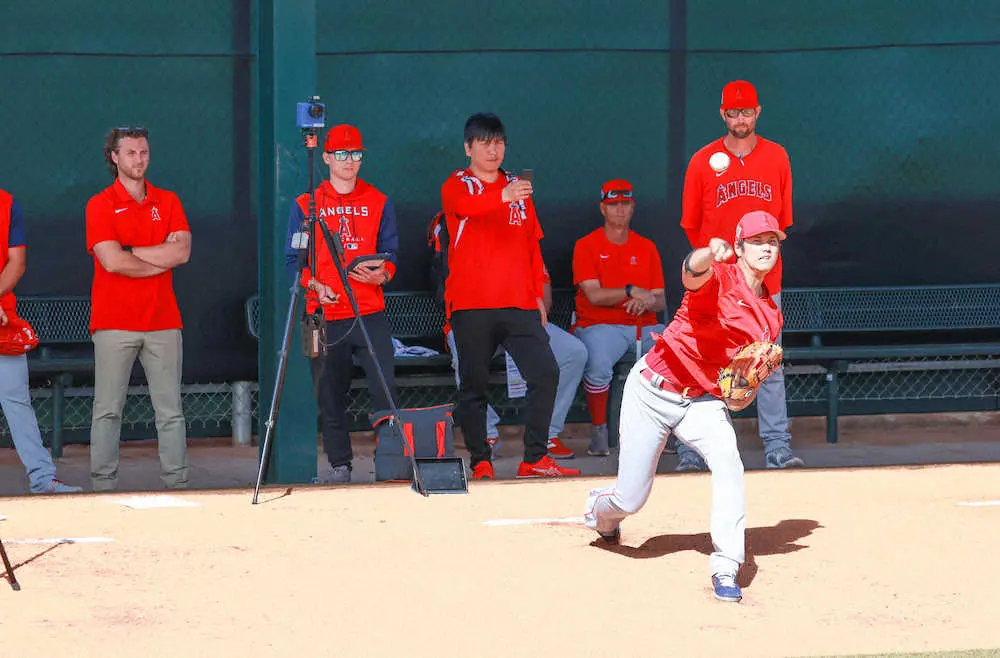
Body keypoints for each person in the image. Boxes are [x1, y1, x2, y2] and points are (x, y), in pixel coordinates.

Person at [584, 210, 787, 603]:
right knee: (630, 499)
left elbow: (738, 395)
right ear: (740, 247)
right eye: (758, 241)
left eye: (773, 241)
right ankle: (600, 513)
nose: (766, 247)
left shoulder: (769, 317)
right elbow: (690, 271)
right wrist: (708, 253)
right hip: (652, 390)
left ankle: (726, 565)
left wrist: (741, 392)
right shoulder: (720, 276)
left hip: (702, 401)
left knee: (729, 461)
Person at [441, 112, 579, 480]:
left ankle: (534, 457)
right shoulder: (458, 184)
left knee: (546, 372)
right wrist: (502, 195)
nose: (493, 149)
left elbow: (532, 245)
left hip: (518, 303)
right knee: (474, 384)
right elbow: (464, 208)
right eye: (484, 142)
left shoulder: (517, 186)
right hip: (472, 303)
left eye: (499, 141)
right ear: (468, 147)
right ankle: (480, 459)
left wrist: (538, 293)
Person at [677, 79, 802, 471]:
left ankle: (777, 446)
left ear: (758, 112)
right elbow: (691, 224)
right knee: (703, 362)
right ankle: (692, 451)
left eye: (746, 111)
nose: (740, 119)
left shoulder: (777, 157)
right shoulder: (702, 160)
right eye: (733, 112)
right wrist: (716, 262)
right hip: (717, 285)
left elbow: (783, 222)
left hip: (765, 282)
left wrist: (757, 263)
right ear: (722, 114)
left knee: (767, 363)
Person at [284, 124, 399, 485]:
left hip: (369, 311)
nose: (351, 162)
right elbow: (293, 263)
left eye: (357, 155)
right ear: (327, 158)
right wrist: (315, 284)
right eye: (343, 155)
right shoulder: (307, 205)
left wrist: (383, 275)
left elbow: (392, 255)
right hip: (322, 314)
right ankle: (339, 466)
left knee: (385, 388)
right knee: (329, 393)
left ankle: (391, 460)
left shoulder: (379, 200)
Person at [86, 126, 192, 491]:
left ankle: (177, 482)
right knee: (107, 410)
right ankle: (102, 484)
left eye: (143, 152)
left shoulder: (169, 200)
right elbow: (111, 262)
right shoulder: (99, 203)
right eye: (130, 152)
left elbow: (182, 252)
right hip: (114, 322)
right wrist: (156, 259)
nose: (139, 159)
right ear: (114, 157)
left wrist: (131, 251)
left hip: (163, 319)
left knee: (170, 411)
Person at [441, 263, 587, 460]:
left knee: (574, 352)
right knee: (464, 361)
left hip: (522, 322)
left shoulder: (524, 245)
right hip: (476, 322)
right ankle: (487, 433)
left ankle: (548, 433)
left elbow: (545, 300)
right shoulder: (470, 243)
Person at [572, 179, 666, 457]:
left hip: (643, 325)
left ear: (632, 207)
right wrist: (630, 291)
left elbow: (660, 298)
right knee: (599, 362)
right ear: (603, 208)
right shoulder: (586, 245)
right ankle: (599, 432)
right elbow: (594, 296)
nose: (620, 210)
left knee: (675, 354)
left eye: (625, 204)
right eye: (613, 205)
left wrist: (646, 300)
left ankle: (669, 433)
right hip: (600, 325)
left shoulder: (646, 247)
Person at [0, 189, 83, 494]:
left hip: (2, 322)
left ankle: (42, 478)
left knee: (17, 401)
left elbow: (16, 262)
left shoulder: (7, 202)